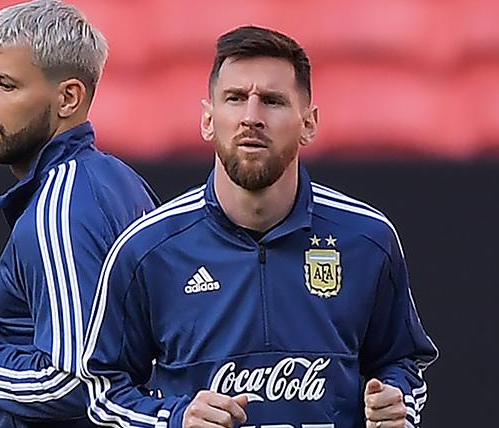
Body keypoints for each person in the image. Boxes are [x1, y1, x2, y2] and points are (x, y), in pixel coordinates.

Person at [81, 25, 438, 428]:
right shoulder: (147, 250)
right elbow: (103, 391)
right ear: (208, 119)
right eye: (235, 99)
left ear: (309, 123)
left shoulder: (368, 239)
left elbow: (402, 363)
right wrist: (174, 419)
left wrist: (397, 404)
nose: (252, 117)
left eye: (272, 101)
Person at [0, 1, 157, 427]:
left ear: (68, 97)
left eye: (5, 84)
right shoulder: (118, 181)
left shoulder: (62, 206)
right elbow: (117, 338)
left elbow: (79, 386)